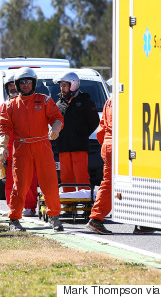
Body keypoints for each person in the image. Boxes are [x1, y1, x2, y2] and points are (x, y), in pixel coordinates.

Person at [0, 67, 64, 232]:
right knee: (20, 185)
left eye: (28, 81)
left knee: (49, 183)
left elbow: (57, 117)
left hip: (42, 145)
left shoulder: (44, 100)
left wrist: (56, 129)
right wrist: (2, 147)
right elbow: (4, 128)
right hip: (21, 148)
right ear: (17, 84)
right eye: (22, 82)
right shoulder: (10, 105)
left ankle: (54, 217)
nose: (26, 85)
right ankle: (14, 219)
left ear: (34, 83)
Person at [0, 74, 38, 216]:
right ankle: (13, 207)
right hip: (9, 152)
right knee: (10, 182)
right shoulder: (4, 106)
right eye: (9, 86)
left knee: (29, 181)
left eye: (13, 85)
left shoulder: (28, 104)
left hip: (27, 150)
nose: (12, 88)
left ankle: (29, 206)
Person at [55, 72, 99, 192]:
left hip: (79, 147)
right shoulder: (59, 104)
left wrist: (81, 134)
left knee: (81, 177)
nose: (62, 88)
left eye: (65, 85)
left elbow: (94, 122)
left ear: (73, 85)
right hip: (63, 147)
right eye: (61, 86)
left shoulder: (85, 101)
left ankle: (84, 203)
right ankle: (69, 204)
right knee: (65, 178)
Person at [86, 96, 113, 235]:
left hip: (109, 143)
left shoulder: (110, 100)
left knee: (108, 183)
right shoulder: (125, 97)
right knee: (109, 184)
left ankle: (96, 217)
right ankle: (96, 218)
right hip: (117, 143)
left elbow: (101, 128)